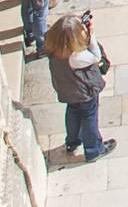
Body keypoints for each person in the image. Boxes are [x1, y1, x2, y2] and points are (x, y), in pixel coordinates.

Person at [46, 11, 116, 161]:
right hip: (84, 92)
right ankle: (94, 149)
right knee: (89, 116)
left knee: (72, 112)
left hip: (67, 90)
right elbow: (96, 56)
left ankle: (72, 142)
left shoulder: (53, 48)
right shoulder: (77, 57)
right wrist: (91, 35)